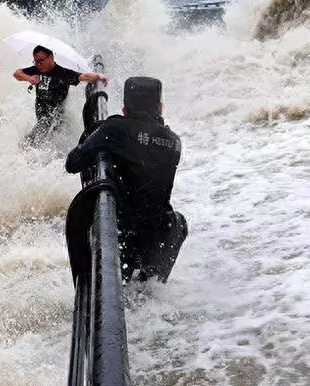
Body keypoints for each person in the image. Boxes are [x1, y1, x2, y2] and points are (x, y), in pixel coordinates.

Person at [65, 77, 187, 283]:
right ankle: (154, 285)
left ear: (125, 109)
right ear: (160, 108)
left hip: (121, 232)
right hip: (157, 234)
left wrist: (99, 134)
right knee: (179, 222)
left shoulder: (115, 129)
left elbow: (73, 163)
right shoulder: (174, 141)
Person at [13, 45, 108, 144]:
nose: (38, 64)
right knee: (27, 143)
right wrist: (29, 78)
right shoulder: (36, 70)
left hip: (55, 118)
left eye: (40, 61)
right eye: (35, 61)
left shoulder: (62, 73)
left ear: (51, 57)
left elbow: (82, 76)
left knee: (30, 143)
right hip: (41, 118)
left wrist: (98, 75)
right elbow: (17, 74)